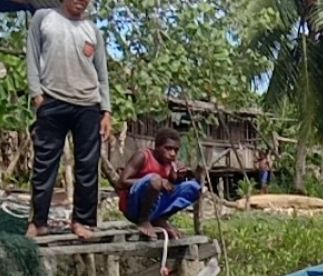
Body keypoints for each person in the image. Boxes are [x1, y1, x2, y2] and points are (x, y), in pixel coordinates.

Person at [25, 0, 111, 240]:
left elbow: (102, 74)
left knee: (87, 166)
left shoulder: (93, 30)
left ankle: (82, 221)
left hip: (88, 105)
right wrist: (36, 95)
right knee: (45, 164)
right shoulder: (44, 19)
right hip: (52, 100)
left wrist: (106, 110)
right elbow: (31, 56)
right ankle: (38, 221)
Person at [116, 128, 201, 239]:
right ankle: (143, 221)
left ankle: (160, 219)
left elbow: (169, 187)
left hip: (154, 207)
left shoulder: (170, 164)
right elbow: (121, 183)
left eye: (175, 150)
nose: (172, 154)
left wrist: (179, 178)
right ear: (157, 147)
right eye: (168, 148)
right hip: (133, 206)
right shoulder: (143, 156)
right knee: (155, 180)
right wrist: (156, 181)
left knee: (194, 187)